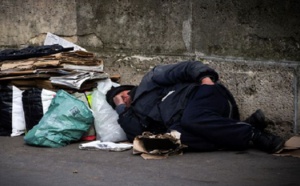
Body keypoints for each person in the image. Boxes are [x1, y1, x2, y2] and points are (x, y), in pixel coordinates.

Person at [106, 61, 285, 153]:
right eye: (118, 101)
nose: (123, 99)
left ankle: (254, 134)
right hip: (194, 122)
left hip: (201, 95)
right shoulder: (135, 115)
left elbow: (185, 67)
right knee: (172, 140)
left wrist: (205, 78)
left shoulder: (150, 81)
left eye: (122, 95)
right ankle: (243, 128)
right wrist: (122, 110)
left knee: (191, 118)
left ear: (128, 89)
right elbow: (135, 135)